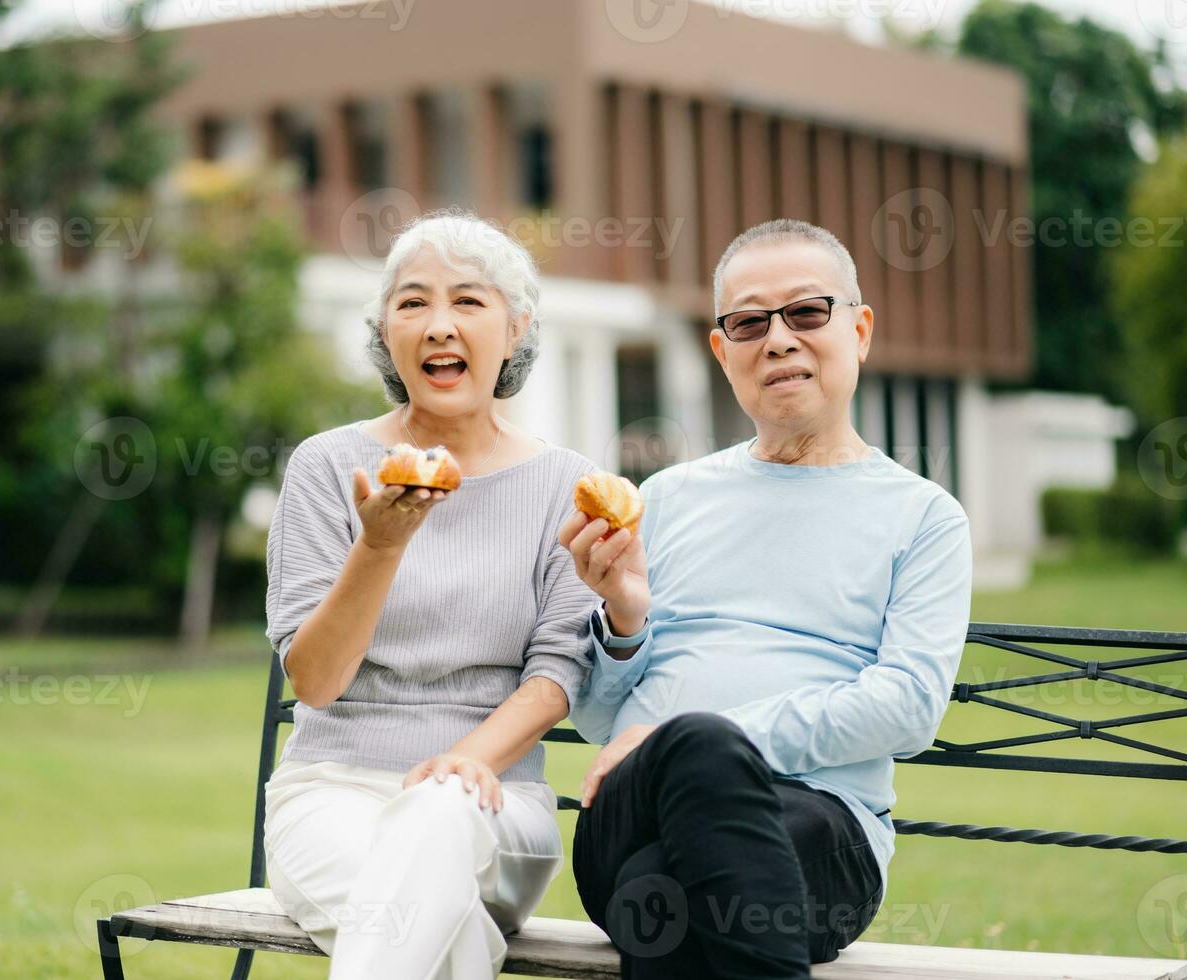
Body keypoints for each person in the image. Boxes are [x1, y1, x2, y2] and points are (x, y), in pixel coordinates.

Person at [559, 218, 973, 978]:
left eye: (807, 312)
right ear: (723, 352)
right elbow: (596, 722)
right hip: (629, 813)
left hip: (821, 831)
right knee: (690, 765)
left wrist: (697, 739)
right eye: (749, 321)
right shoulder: (669, 498)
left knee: (665, 888)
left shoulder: (924, 518)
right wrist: (624, 616)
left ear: (860, 329)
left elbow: (908, 708)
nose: (778, 339)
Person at [263, 210, 600, 979]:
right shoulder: (327, 468)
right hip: (333, 794)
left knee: (438, 820)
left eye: (469, 302)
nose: (439, 325)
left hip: (494, 801)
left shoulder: (565, 487)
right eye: (413, 303)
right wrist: (379, 545)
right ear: (386, 333)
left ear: (515, 329)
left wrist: (459, 766)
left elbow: (557, 677)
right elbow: (314, 682)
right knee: (431, 932)